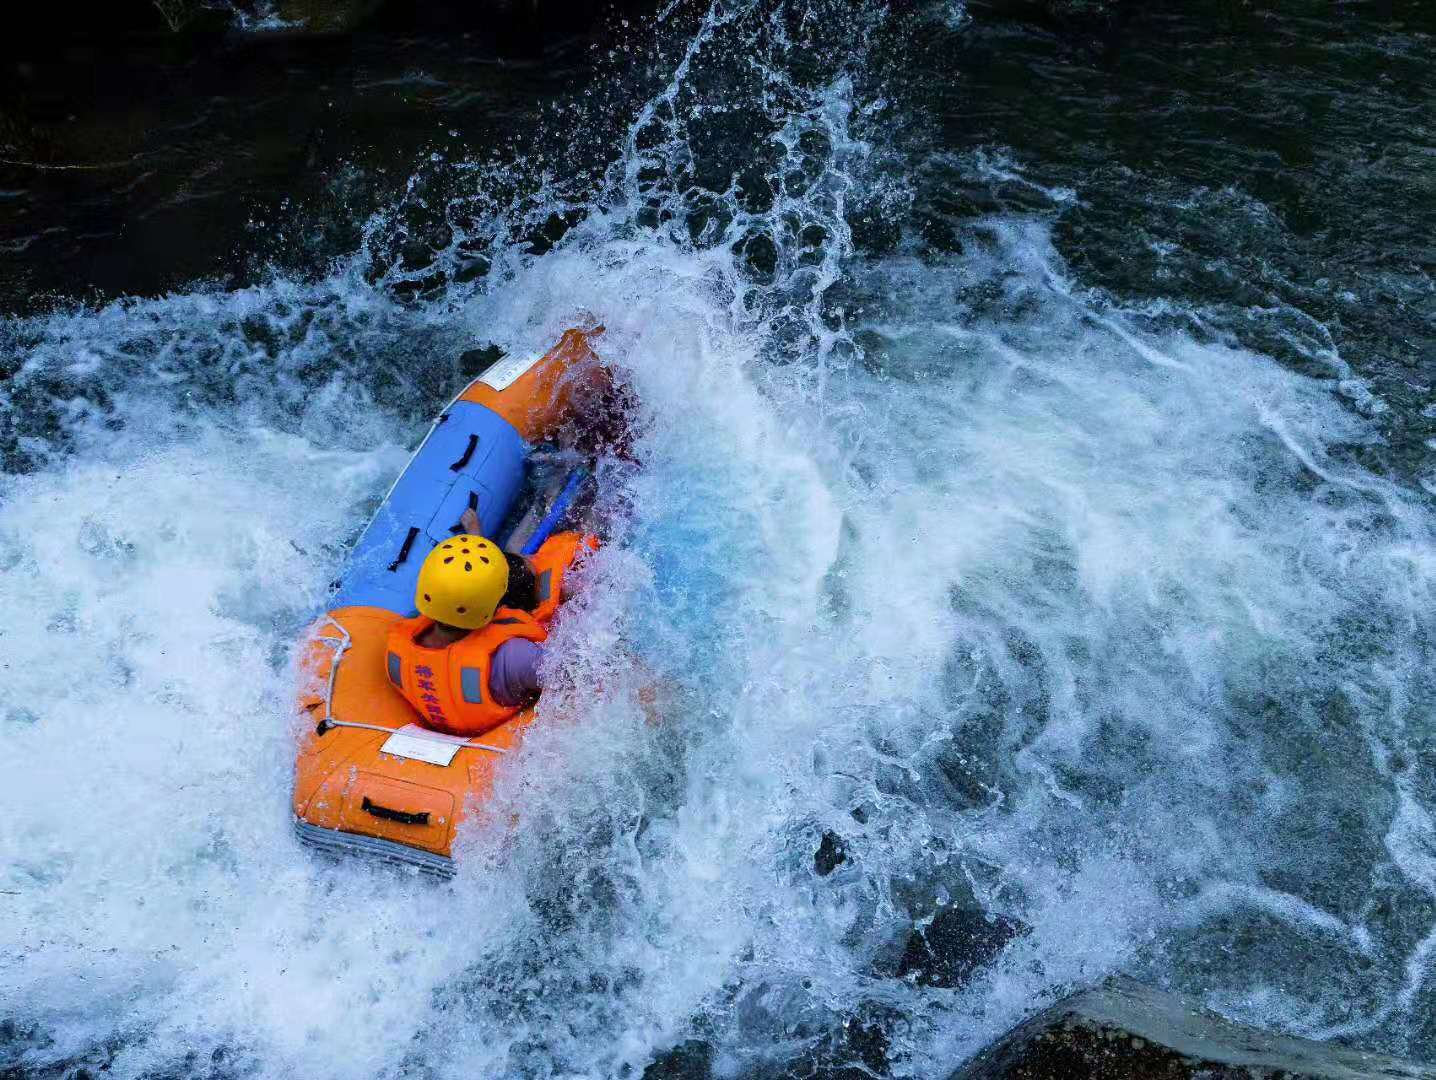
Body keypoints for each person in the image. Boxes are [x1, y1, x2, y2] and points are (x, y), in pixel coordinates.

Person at [383, 507, 598, 737]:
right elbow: (585, 681)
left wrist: (475, 536)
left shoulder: (396, 656)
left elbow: (461, 594)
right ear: (500, 606)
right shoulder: (515, 657)